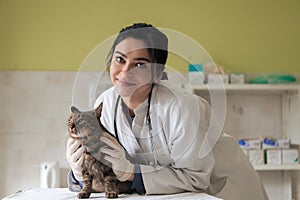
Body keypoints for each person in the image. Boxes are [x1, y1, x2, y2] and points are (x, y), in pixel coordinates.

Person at [66, 23, 268, 200]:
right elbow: (108, 168)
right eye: (120, 59)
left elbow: (196, 177)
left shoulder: (182, 107)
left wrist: (132, 173)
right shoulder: (105, 104)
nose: (125, 71)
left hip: (225, 190)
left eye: (139, 64)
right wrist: (78, 171)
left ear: (157, 74)